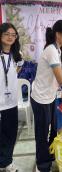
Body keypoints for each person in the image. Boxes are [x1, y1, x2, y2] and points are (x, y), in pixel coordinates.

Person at [31, 20, 62, 172]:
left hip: (51, 96)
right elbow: (61, 79)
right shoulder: (51, 50)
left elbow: (58, 79)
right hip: (41, 98)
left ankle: (51, 154)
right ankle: (42, 164)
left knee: (53, 129)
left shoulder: (58, 50)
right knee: (42, 132)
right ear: (58, 35)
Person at [0, 23, 24, 172]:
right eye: (7, 34)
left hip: (11, 102)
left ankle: (6, 162)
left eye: (13, 35)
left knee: (10, 134)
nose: (10, 37)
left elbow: (19, 66)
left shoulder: (16, 54)